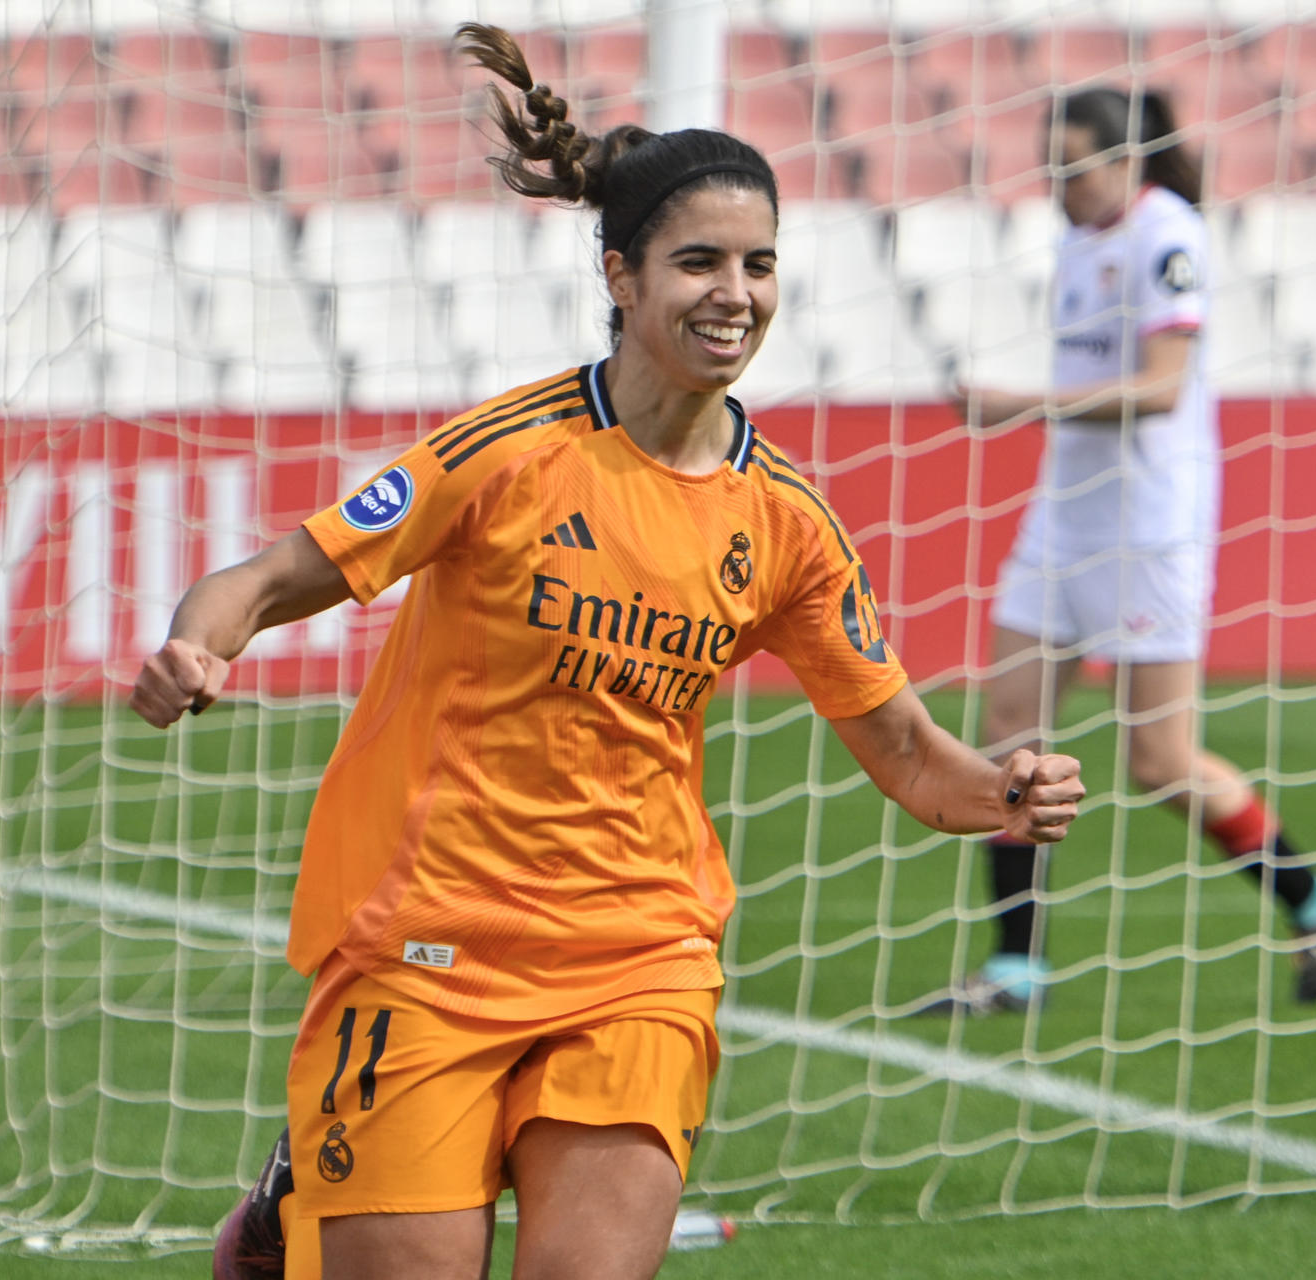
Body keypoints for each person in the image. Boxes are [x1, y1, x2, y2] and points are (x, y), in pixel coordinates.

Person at [135, 23, 1084, 1280]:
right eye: (698, 262)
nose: (733, 294)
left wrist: (1003, 791)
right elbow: (264, 579)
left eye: (758, 263)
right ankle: (290, 1196)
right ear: (622, 274)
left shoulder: (787, 519)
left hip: (640, 953)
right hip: (427, 943)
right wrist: (195, 650)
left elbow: (909, 752)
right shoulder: (507, 451)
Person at [942, 86, 1316, 1017]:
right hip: (1066, 514)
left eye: (1075, 165)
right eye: (1050, 164)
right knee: (1008, 735)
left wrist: (1020, 405)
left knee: (1160, 764)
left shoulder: (1168, 236)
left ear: (1125, 163)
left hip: (1151, 526)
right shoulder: (1073, 243)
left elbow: (1166, 389)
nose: (1058, 182)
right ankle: (1017, 965)